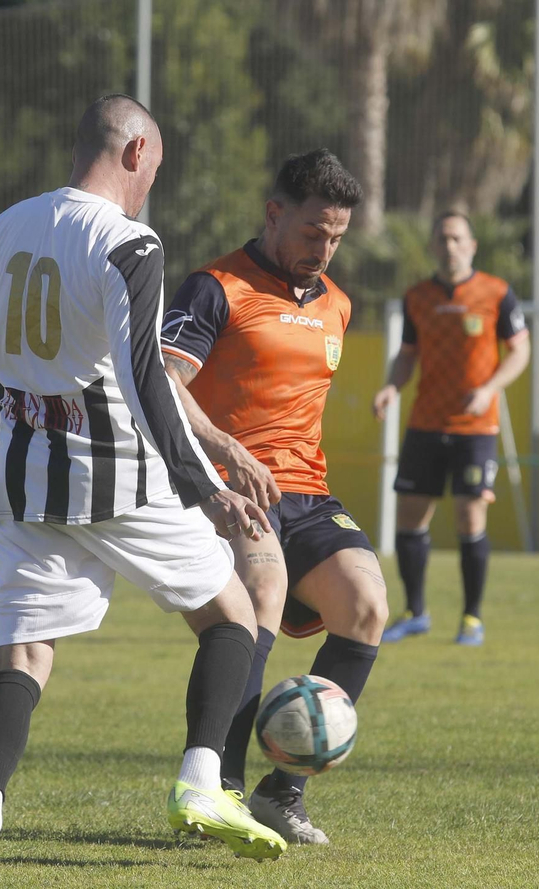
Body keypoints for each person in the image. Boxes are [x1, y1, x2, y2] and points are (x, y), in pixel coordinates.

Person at [0, 94, 287, 872]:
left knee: (23, 656)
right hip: (119, 474)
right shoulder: (127, 242)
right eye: (156, 168)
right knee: (232, 618)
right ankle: (201, 784)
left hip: (24, 478)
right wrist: (205, 483)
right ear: (137, 152)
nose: (152, 185)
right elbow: (147, 380)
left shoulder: (9, 225)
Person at [161, 148, 387, 846]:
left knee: (369, 605)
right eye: (313, 231)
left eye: (337, 237)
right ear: (274, 213)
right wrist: (225, 452)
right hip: (227, 487)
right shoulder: (216, 286)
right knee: (259, 594)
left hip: (308, 493)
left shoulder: (338, 305)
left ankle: (281, 791)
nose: (323, 248)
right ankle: (216, 787)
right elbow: (164, 380)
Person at [371, 211, 530, 646]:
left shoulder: (497, 293)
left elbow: (520, 351)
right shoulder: (418, 297)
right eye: (442, 238)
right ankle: (415, 611)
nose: (450, 246)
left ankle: (472, 618)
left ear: (473, 245)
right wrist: (391, 387)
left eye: (458, 238)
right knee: (410, 518)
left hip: (476, 428)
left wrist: (490, 389)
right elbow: (407, 355)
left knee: (468, 515)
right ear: (433, 246)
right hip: (425, 423)